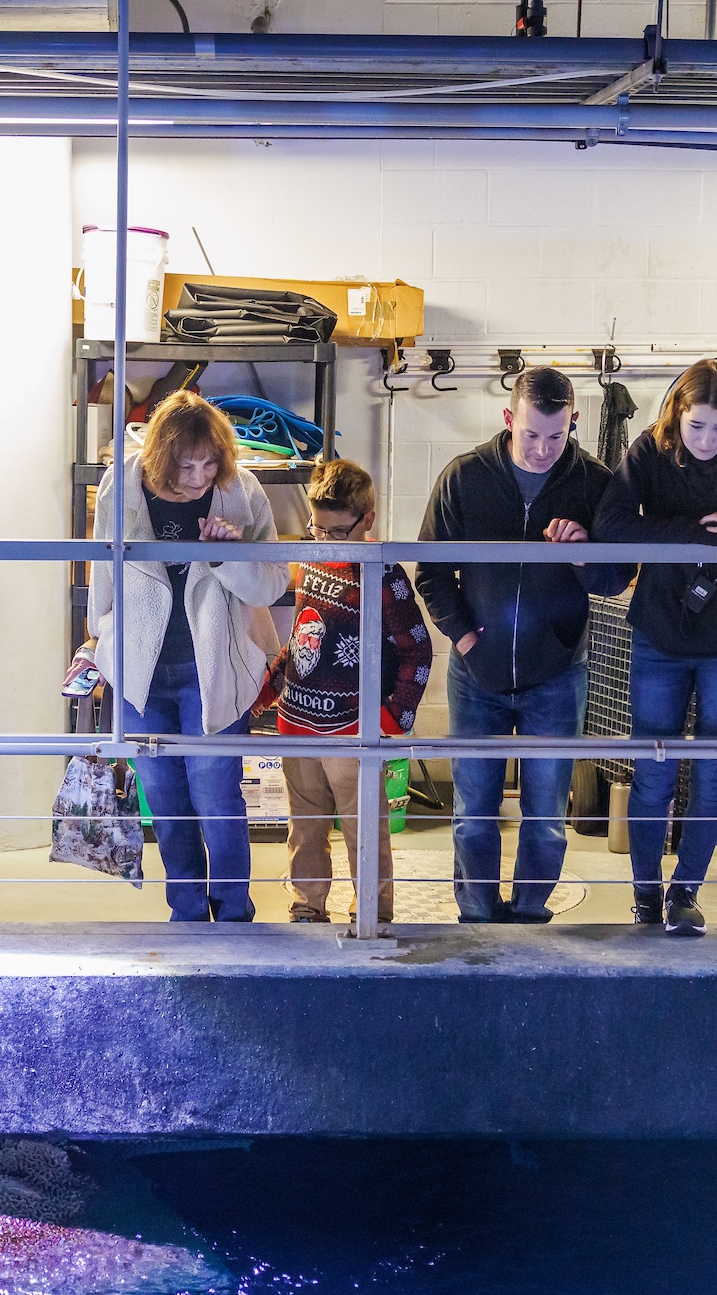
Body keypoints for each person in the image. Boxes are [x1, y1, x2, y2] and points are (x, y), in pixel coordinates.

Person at [416, 366, 632, 925]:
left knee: (545, 815)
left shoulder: (595, 483)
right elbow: (432, 574)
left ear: (574, 424)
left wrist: (584, 552)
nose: (542, 449)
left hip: (557, 674)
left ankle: (533, 913)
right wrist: (465, 638)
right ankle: (479, 917)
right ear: (509, 418)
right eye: (531, 434)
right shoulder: (463, 477)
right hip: (476, 673)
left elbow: (615, 579)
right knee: (472, 812)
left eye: (556, 437)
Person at [594, 359, 717, 937]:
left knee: (713, 770)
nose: (707, 440)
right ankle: (645, 893)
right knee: (652, 767)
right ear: (676, 415)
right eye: (697, 425)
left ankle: (686, 891)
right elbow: (611, 524)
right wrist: (692, 533)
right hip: (659, 631)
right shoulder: (648, 452)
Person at [73, 391, 288, 923]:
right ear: (159, 458)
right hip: (139, 673)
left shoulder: (242, 490)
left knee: (217, 800)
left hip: (212, 669)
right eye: (185, 464)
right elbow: (104, 572)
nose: (198, 476)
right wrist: (97, 643)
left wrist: (224, 556)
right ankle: (188, 914)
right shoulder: (119, 484)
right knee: (166, 803)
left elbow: (273, 582)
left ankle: (234, 913)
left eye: (210, 462)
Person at [253, 459, 434, 925]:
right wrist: (271, 686)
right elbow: (301, 635)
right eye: (317, 531)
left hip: (354, 733)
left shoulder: (383, 574)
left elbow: (417, 650)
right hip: (297, 722)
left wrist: (391, 718)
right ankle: (307, 905)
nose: (325, 541)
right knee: (305, 829)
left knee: (364, 830)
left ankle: (372, 909)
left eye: (336, 533)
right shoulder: (312, 560)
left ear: (366, 520)